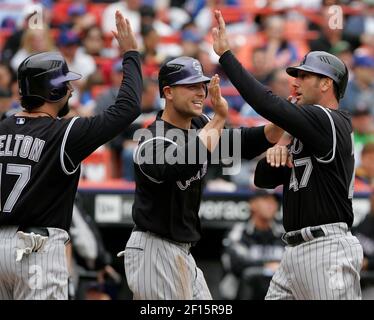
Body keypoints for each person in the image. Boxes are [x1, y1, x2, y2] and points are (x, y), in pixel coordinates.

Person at [212, 10, 363, 300]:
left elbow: (267, 104)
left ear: (326, 84)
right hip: (294, 252)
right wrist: (279, 147)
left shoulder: (329, 120)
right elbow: (263, 179)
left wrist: (227, 56)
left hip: (327, 249)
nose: (295, 82)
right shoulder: (307, 130)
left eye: (304, 76)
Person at [0, 11, 141, 300]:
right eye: (65, 84)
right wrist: (131, 54)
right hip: (36, 249)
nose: (71, 89)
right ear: (52, 92)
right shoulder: (65, 133)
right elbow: (127, 108)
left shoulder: (1, 126)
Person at [118, 55, 284, 300]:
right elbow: (183, 164)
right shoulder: (152, 140)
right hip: (154, 251)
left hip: (181, 253)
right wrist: (218, 119)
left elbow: (243, 145)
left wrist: (284, 117)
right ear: (169, 92)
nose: (200, 93)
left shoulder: (200, 125)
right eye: (191, 86)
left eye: (202, 86)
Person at [219, 190, 284, 300]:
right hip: (240, 295)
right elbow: (235, 263)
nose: (271, 204)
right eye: (265, 200)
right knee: (250, 274)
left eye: (273, 201)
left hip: (275, 294)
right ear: (252, 204)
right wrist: (266, 266)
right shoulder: (238, 231)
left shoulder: (283, 234)